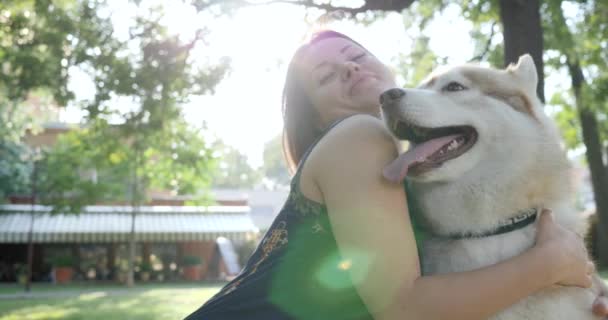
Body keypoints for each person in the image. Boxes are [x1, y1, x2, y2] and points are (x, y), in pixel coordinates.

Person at [184, 30, 608, 320]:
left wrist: (581, 288)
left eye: (356, 56)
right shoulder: (360, 135)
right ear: (315, 121)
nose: (349, 69)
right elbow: (404, 308)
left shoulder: (412, 170)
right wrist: (551, 263)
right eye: (326, 77)